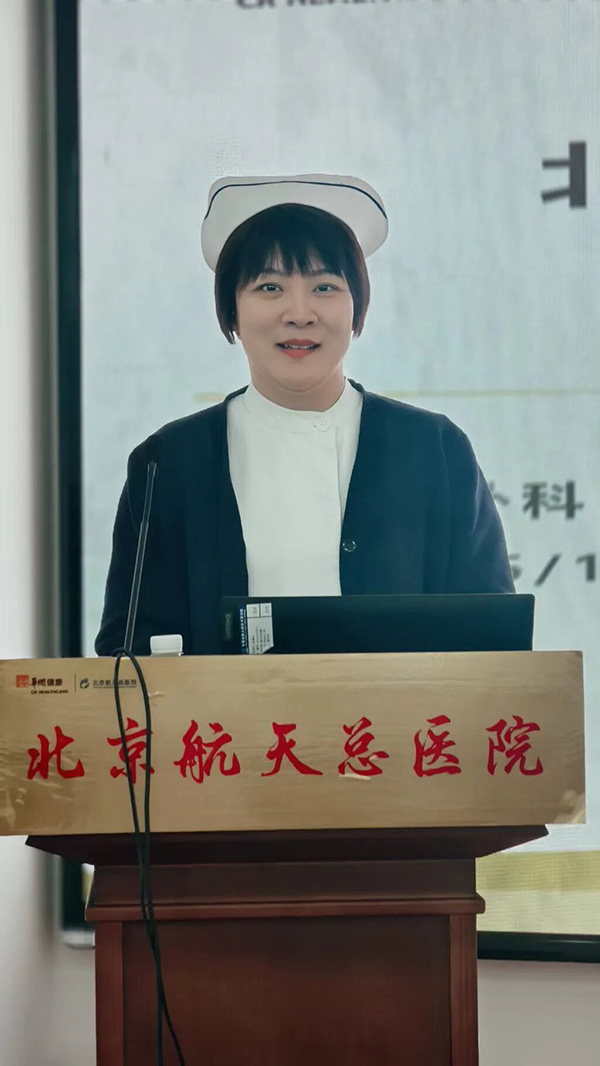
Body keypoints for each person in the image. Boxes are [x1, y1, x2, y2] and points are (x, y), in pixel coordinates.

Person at [95, 172, 514, 657]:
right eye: (270, 286)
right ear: (231, 310)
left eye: (325, 287)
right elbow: (127, 654)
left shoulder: (433, 449)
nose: (299, 313)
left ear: (357, 307)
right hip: (227, 712)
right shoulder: (168, 462)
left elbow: (494, 637)